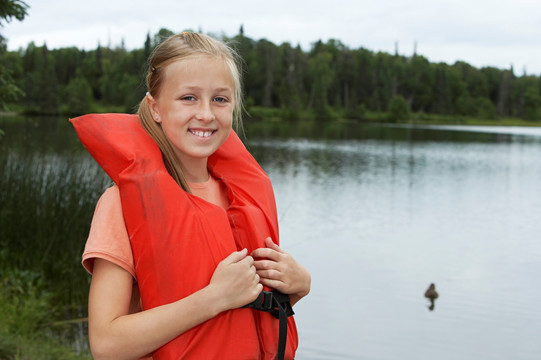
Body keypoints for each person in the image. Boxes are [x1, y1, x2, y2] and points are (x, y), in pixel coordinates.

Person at [72, 32, 310, 360]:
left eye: (220, 99)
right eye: (188, 98)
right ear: (155, 108)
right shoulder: (121, 203)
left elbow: (243, 317)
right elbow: (107, 345)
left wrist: (296, 287)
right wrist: (213, 298)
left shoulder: (242, 198)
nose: (206, 114)